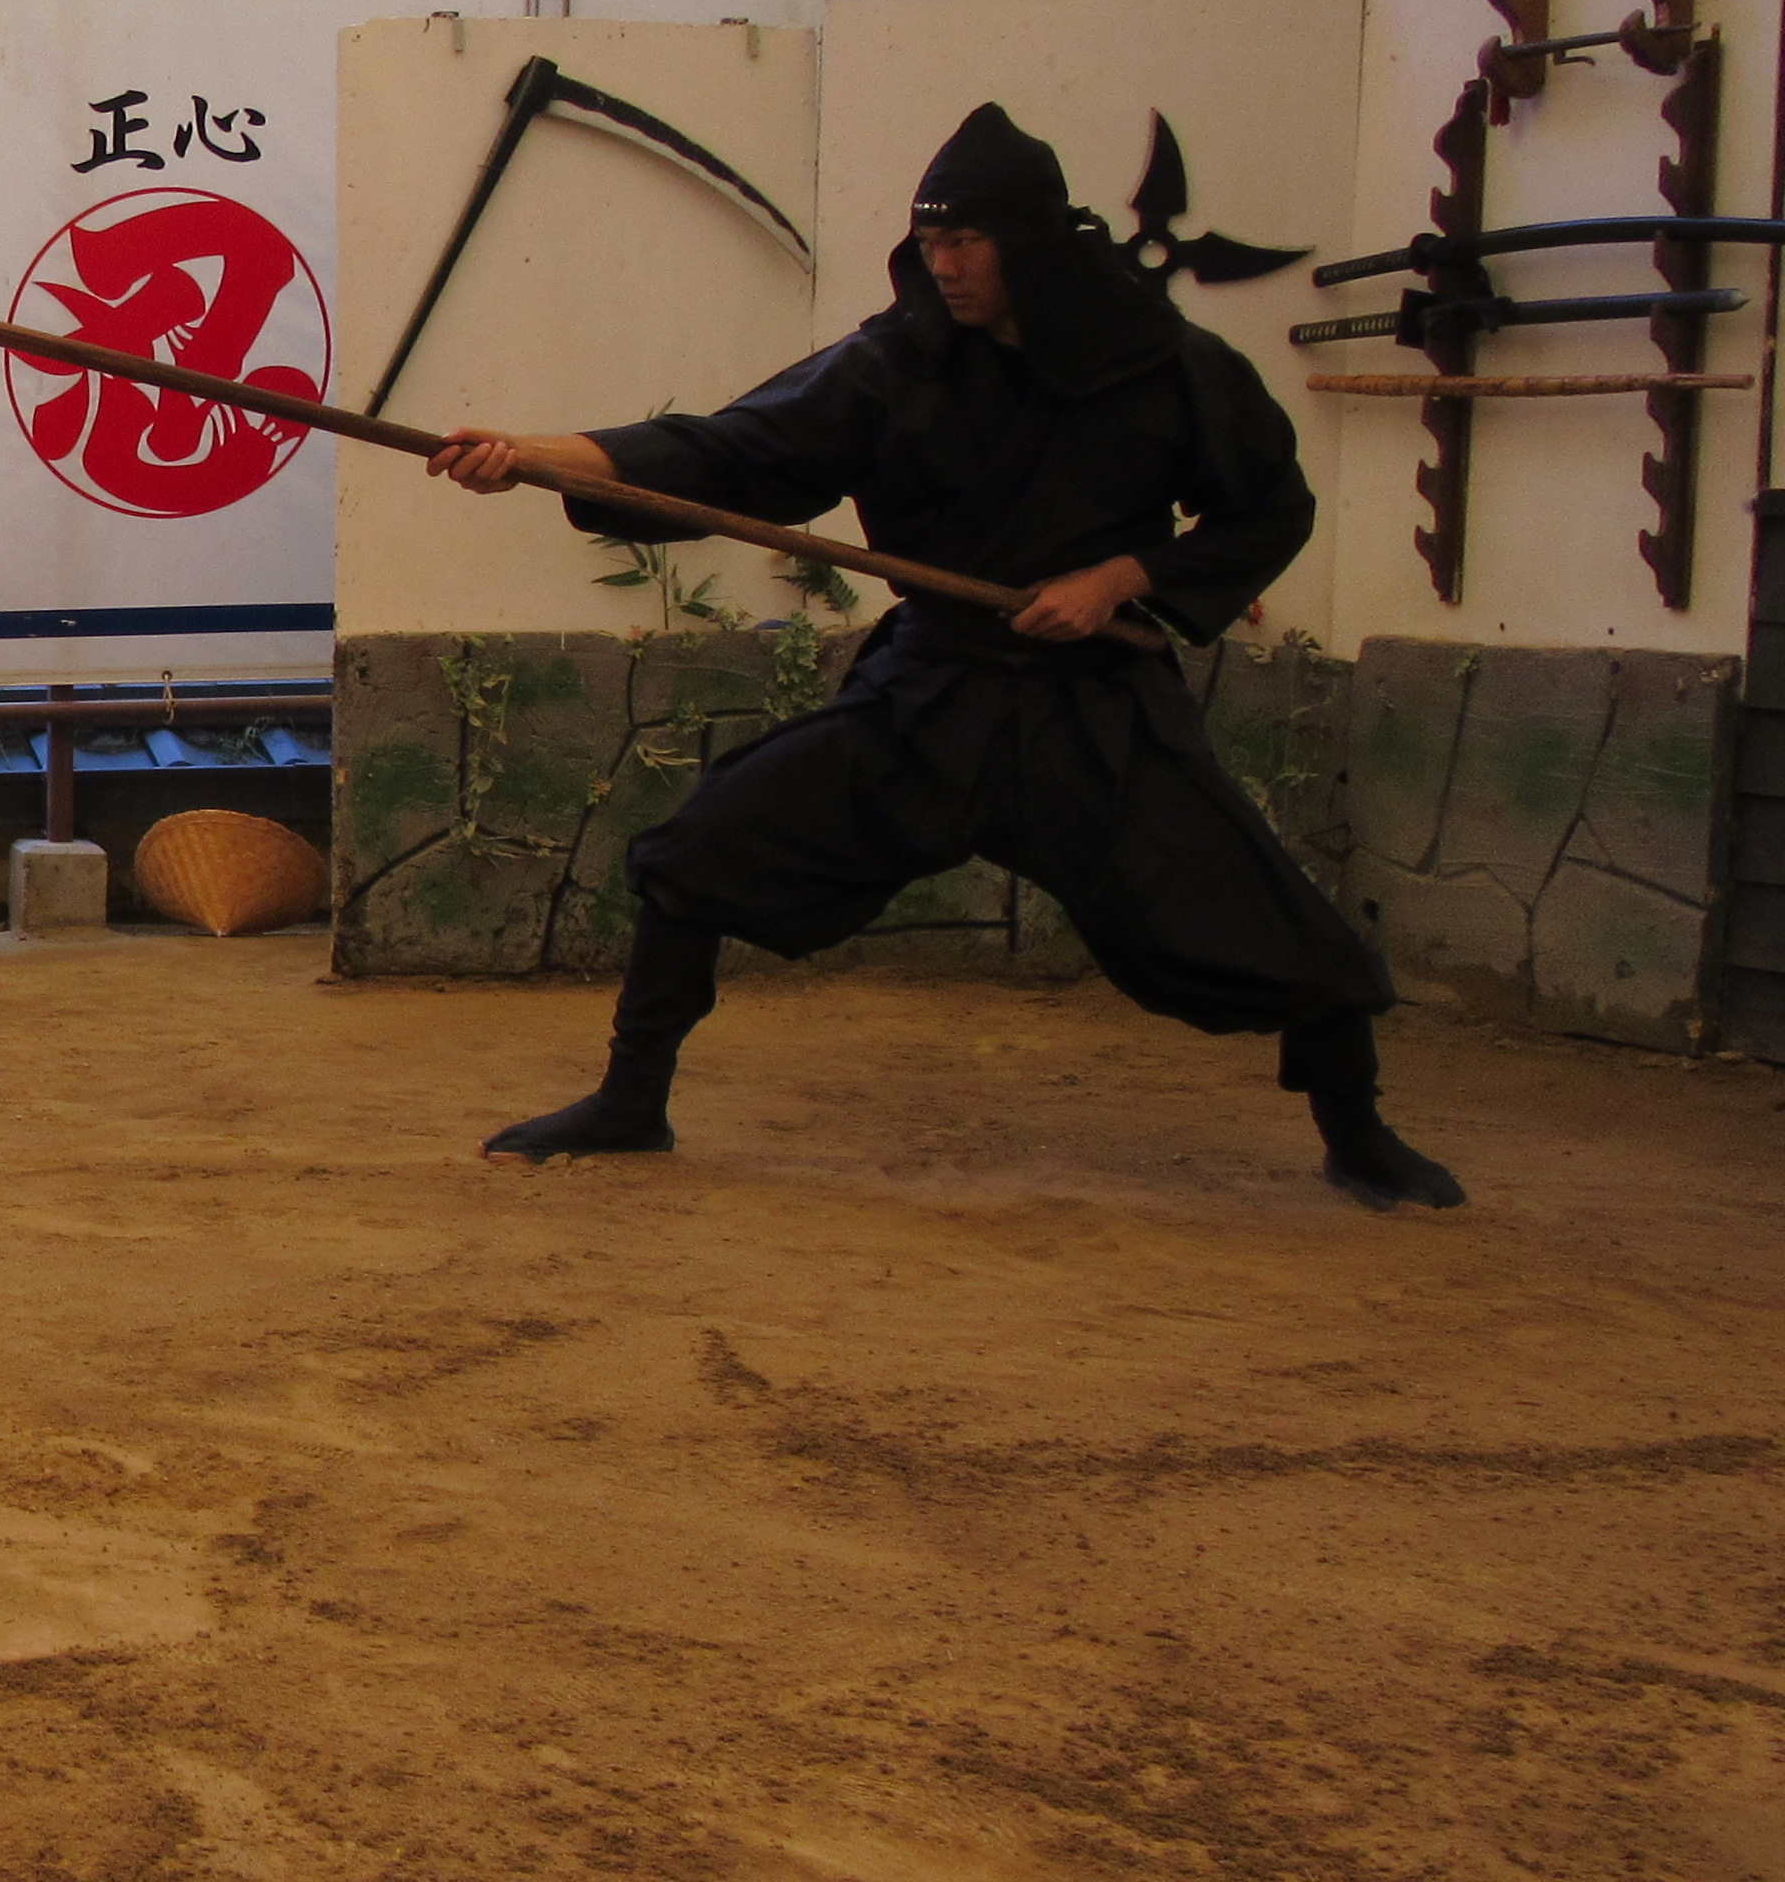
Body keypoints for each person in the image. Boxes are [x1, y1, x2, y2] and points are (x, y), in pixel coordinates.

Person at [426, 100, 1464, 1213]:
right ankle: (632, 1101)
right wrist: (534, 455)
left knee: (1267, 921)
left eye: (967, 241)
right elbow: (731, 450)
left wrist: (1119, 579)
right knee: (699, 851)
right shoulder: (897, 361)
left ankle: (1359, 1135)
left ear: (1033, 242)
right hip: (931, 693)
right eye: (930, 242)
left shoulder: (1166, 364)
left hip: (1094, 711)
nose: (946, 266)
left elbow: (1269, 509)